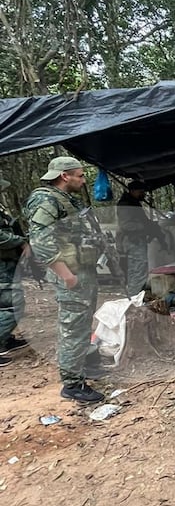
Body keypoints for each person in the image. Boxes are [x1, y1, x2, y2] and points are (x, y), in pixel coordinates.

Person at [25, 157, 105, 404]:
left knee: (82, 321)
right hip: (70, 272)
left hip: (82, 268)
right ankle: (72, 384)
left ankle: (84, 365)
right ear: (64, 176)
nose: (83, 180)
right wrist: (66, 275)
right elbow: (40, 242)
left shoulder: (66, 200)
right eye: (80, 176)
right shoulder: (46, 200)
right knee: (73, 325)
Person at [116, 180, 167, 296]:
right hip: (132, 242)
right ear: (133, 191)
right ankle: (134, 299)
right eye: (140, 192)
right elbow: (126, 226)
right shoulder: (126, 205)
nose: (143, 194)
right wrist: (145, 226)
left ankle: (138, 297)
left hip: (137, 241)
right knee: (137, 272)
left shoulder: (133, 202)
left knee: (140, 270)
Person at [0, 177, 30, 367]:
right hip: (2, 265)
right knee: (13, 304)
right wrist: (20, 241)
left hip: (7, 261)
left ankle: (6, 338)